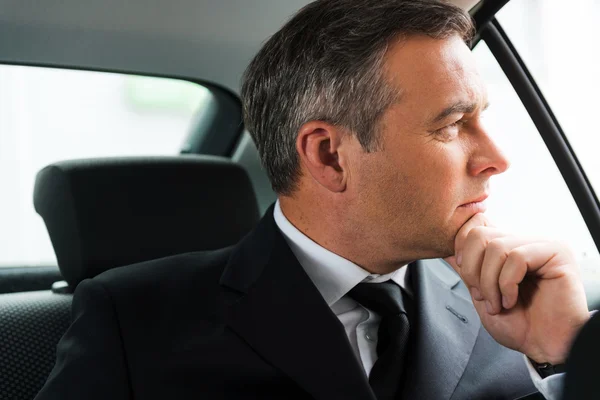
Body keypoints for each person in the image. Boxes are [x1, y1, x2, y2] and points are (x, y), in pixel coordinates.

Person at [35, 0, 590, 399]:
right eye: (452, 125)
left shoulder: (510, 305)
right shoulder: (134, 321)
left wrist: (565, 355)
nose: (497, 156)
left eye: (482, 119)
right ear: (328, 156)